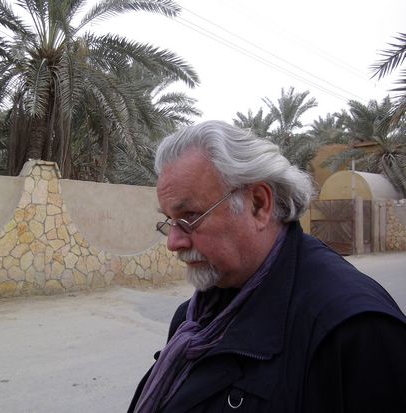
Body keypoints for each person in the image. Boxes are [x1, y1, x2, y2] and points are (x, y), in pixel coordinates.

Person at [128, 120, 406, 413]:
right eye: (170, 221)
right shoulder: (195, 314)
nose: (173, 242)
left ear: (259, 204)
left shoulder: (355, 332)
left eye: (190, 217)